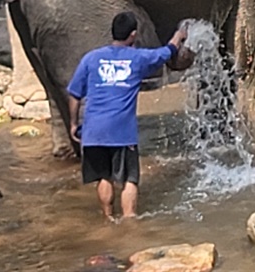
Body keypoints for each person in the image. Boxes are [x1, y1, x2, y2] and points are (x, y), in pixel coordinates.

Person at [66, 12, 188, 222]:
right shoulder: (138, 58)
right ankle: (130, 222)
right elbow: (167, 52)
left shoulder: (91, 58)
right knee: (130, 179)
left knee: (104, 177)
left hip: (93, 131)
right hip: (121, 131)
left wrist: (73, 124)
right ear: (133, 35)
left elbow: (74, 95)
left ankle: (108, 218)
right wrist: (179, 35)